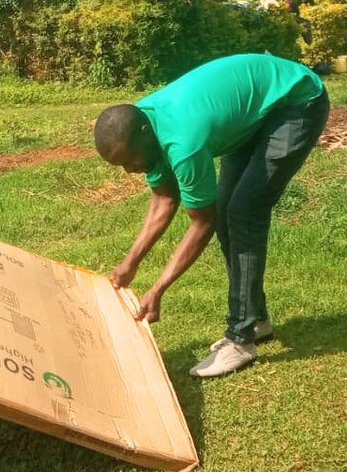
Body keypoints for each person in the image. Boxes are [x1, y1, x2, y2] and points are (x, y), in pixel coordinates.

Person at [94, 52, 330, 379]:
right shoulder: (143, 126)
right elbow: (164, 198)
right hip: (258, 108)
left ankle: (241, 339)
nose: (130, 170)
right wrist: (130, 263)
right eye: (121, 164)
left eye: (130, 160)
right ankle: (256, 319)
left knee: (243, 212)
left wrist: (158, 288)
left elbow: (202, 223)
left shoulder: (183, 143)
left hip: (296, 101)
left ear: (145, 134)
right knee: (230, 212)